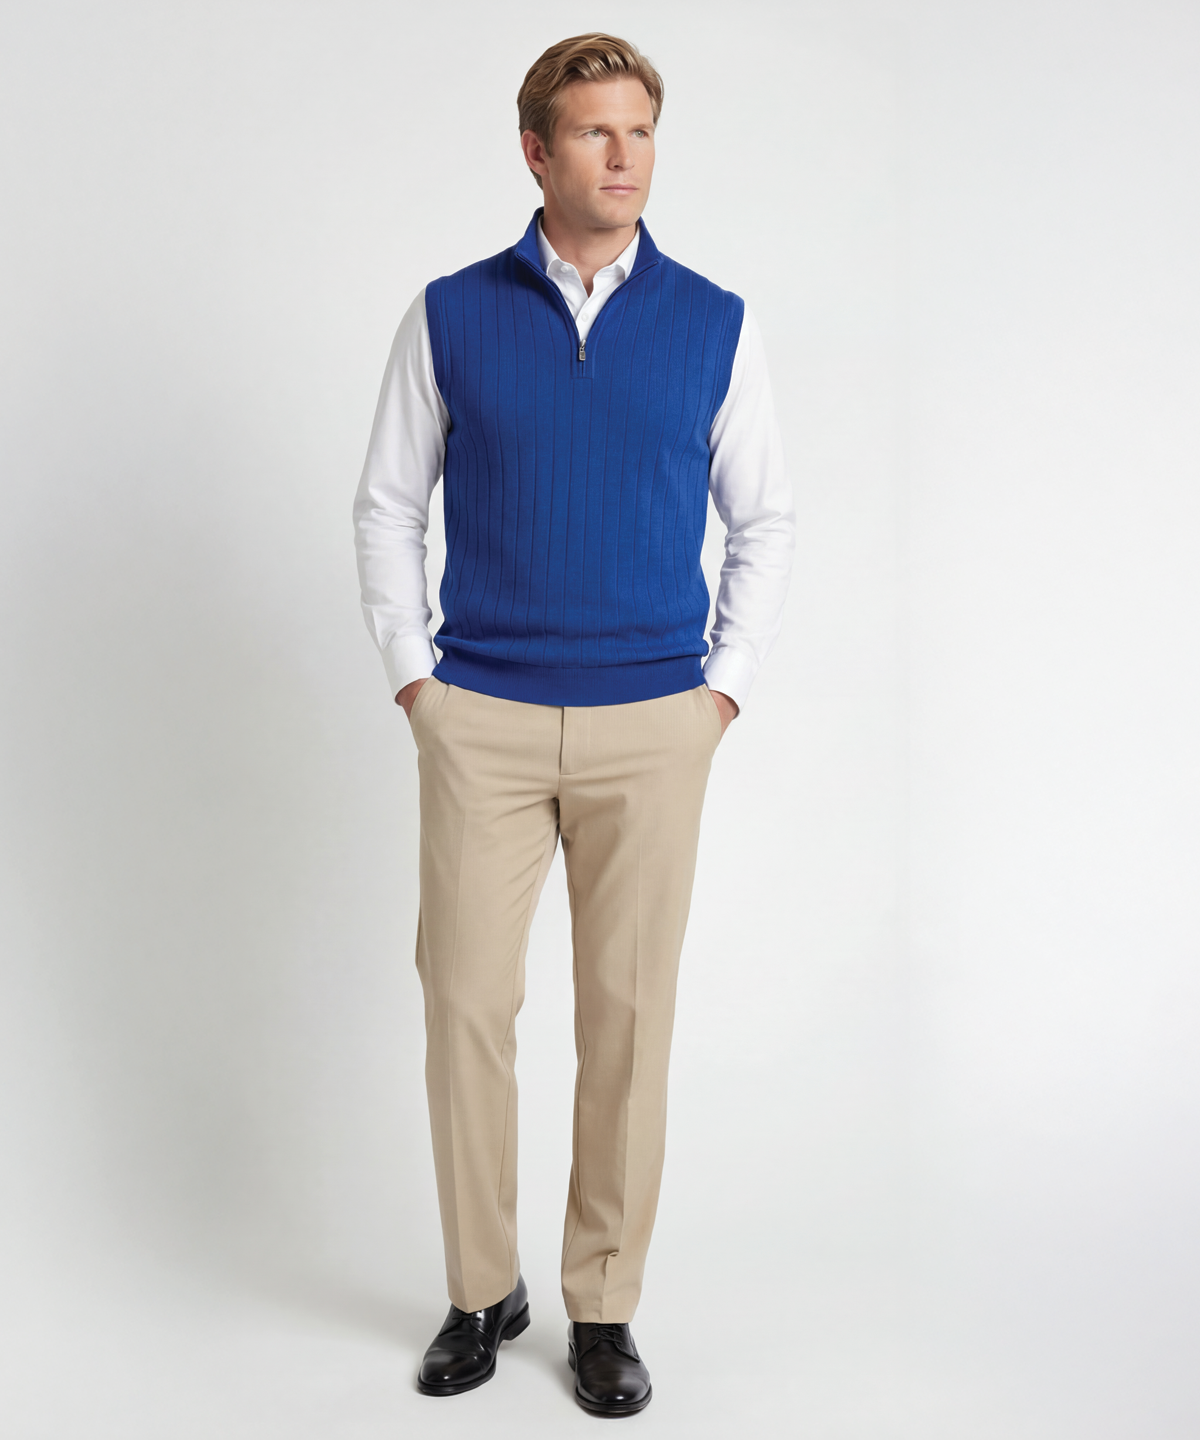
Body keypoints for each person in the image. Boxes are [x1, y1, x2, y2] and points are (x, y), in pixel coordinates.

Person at [353, 32, 793, 1417]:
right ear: (536, 151)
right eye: (597, 133)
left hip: (653, 722)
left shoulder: (715, 321)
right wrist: (415, 679)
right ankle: (481, 1289)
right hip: (479, 716)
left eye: (641, 131)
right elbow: (388, 505)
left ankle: (603, 1306)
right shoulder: (449, 315)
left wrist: (722, 689)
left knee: (629, 1019)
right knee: (465, 1007)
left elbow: (765, 520)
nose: (625, 157)